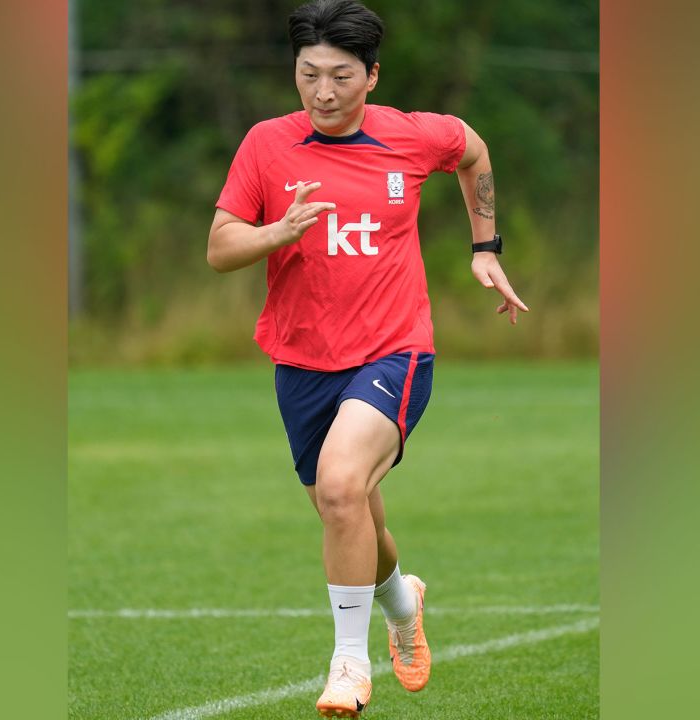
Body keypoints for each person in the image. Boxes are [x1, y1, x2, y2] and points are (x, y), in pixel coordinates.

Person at [207, 1, 528, 716]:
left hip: (395, 348)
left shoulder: (411, 138)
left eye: (341, 76)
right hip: (301, 361)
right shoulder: (266, 145)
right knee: (346, 512)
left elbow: (472, 148)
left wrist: (485, 247)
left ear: (372, 76)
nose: (323, 92)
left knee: (342, 487)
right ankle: (401, 600)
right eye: (308, 74)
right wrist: (277, 233)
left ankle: (348, 666)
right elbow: (220, 247)